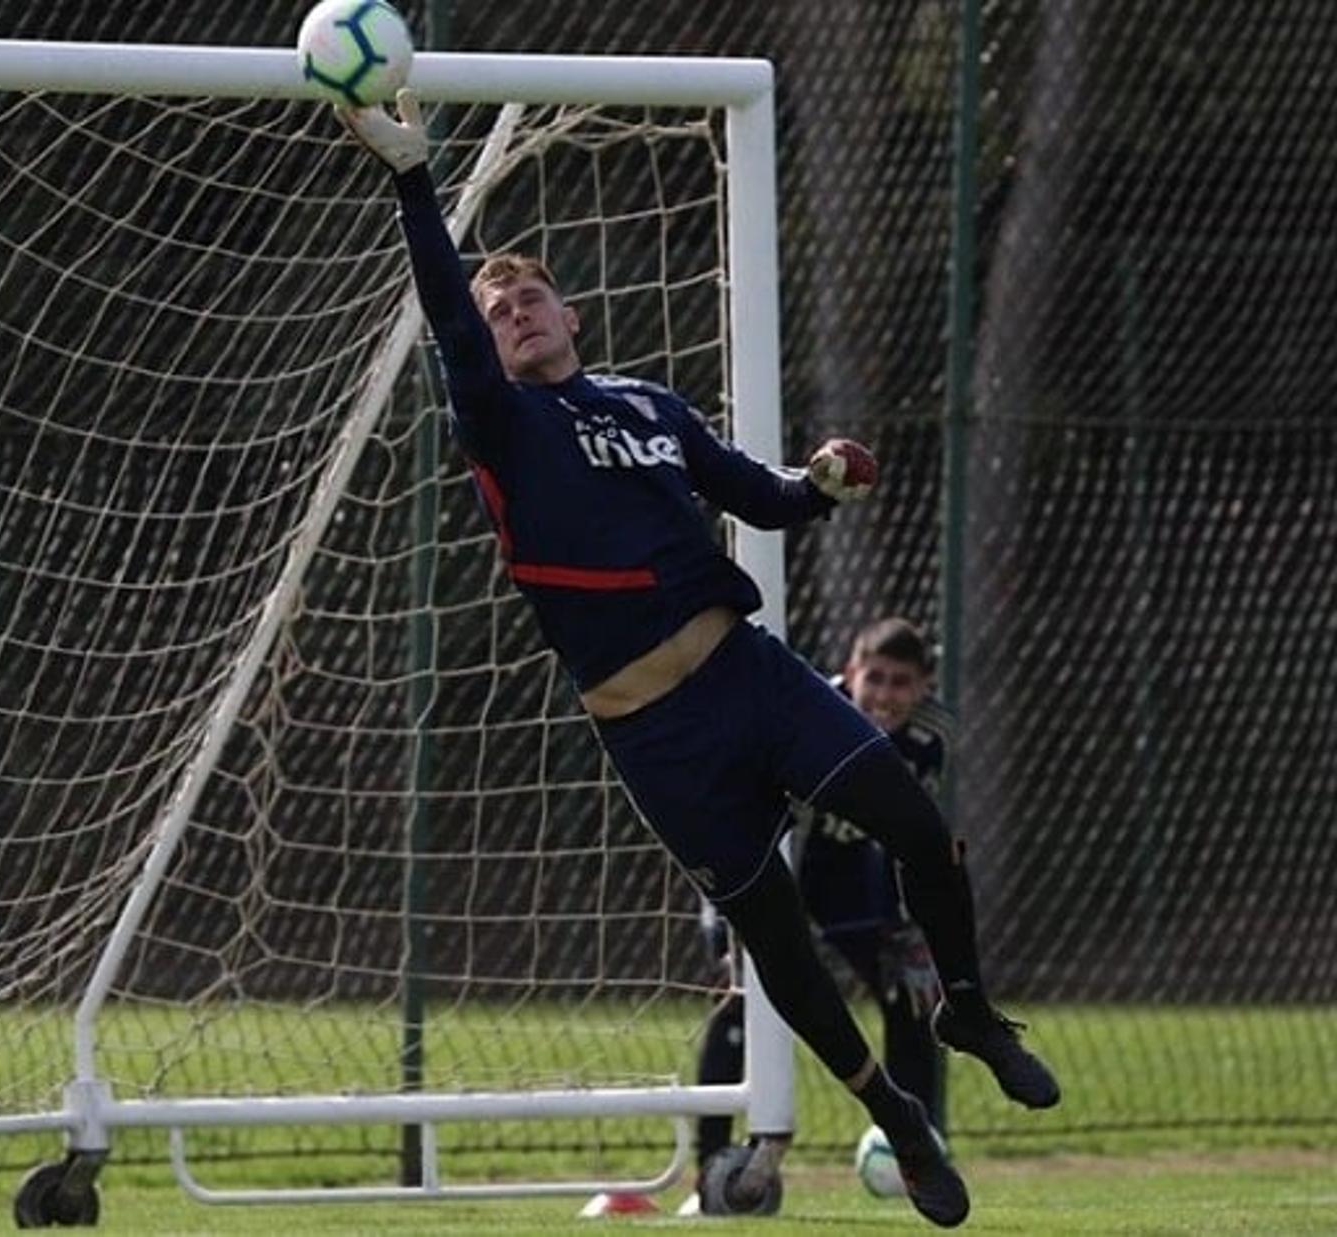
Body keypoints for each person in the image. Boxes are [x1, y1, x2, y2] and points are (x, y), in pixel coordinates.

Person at [339, 92, 1058, 1230]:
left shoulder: (649, 404)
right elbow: (446, 307)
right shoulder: (497, 420)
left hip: (752, 678)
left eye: (530, 293)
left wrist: (819, 484)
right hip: (656, 735)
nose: (514, 308)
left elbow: (761, 501)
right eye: (498, 305)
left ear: (570, 313)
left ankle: (968, 1011)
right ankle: (898, 1118)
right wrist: (413, 180)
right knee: (777, 941)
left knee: (917, 824)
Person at [695, 617, 951, 1174]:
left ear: (923, 686)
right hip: (775, 871)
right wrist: (727, 922)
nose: (884, 696)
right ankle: (712, 1164)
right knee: (745, 1002)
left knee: (912, 994)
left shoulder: (933, 738)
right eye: (874, 678)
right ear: (851, 672)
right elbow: (746, 823)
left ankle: (920, 1150)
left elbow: (910, 832)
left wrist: (912, 926)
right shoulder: (812, 720)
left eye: (899, 683)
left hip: (855, 887)